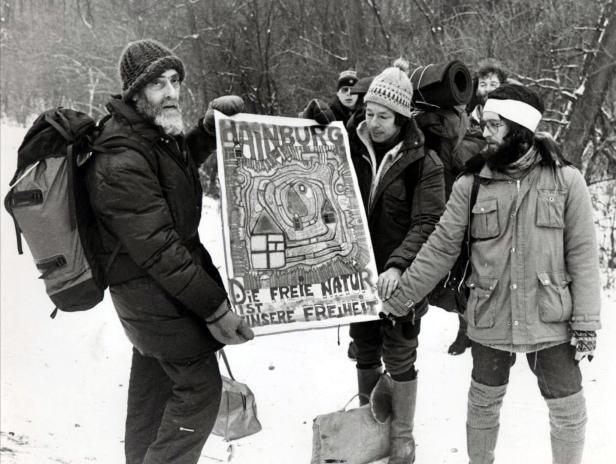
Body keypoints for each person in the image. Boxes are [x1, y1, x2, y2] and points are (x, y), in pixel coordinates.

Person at [383, 84, 600, 464]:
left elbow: (582, 257)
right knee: (483, 404)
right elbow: (440, 248)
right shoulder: (471, 184)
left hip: (551, 317)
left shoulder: (567, 181)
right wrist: (401, 298)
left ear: (520, 128)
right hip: (489, 315)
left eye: (494, 125)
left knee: (568, 409)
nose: (485, 132)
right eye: (485, 123)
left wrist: (585, 323)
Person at [84, 39, 254, 464]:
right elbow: (161, 249)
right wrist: (216, 309)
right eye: (159, 83)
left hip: (152, 297)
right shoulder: (119, 156)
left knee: (154, 388)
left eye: (175, 81)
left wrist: (209, 128)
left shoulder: (146, 135)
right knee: (199, 392)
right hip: (151, 294)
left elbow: (173, 169)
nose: (172, 92)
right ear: (135, 92)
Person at [318, 59, 445, 463]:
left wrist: (397, 265)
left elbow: (428, 221)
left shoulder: (425, 162)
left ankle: (402, 439)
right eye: (369, 113)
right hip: (358, 273)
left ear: (402, 116)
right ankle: (369, 428)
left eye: (384, 117)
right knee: (365, 348)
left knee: (401, 351)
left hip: (400, 277)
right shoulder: (348, 148)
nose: (374, 123)